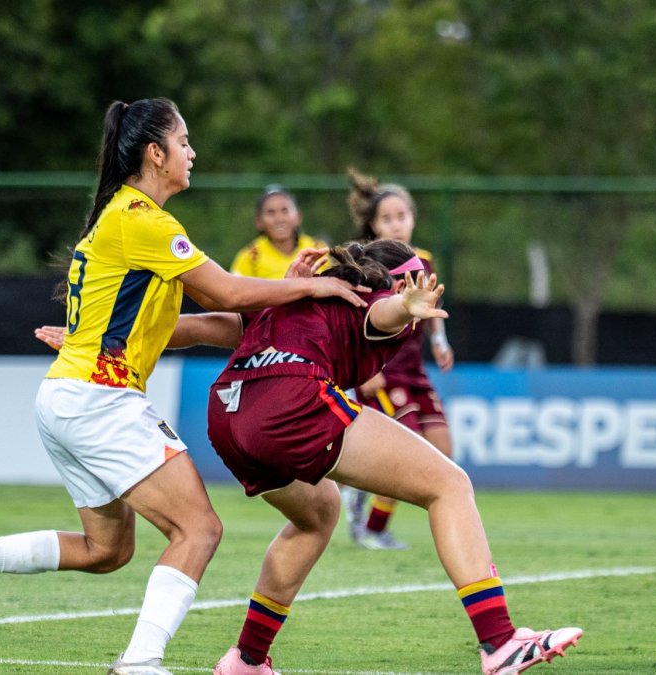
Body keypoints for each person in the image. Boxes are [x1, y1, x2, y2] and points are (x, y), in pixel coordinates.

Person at [0, 97, 365, 675]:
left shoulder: (126, 218)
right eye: (184, 142)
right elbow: (228, 294)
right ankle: (139, 662)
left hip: (68, 396)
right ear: (155, 153)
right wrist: (311, 292)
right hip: (98, 398)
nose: (192, 153)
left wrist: (283, 296)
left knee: (108, 550)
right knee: (199, 528)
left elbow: (207, 322)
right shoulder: (143, 220)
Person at [171, 238, 580, 675]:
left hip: (228, 414)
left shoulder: (296, 294)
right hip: (289, 402)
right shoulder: (373, 297)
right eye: (419, 276)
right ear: (400, 279)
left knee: (318, 515)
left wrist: (110, 338)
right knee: (449, 485)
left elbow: (200, 327)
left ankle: (247, 660)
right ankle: (499, 642)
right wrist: (404, 306)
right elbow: (382, 313)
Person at [341, 167, 457, 550]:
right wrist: (360, 371)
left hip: (415, 372)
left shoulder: (423, 260)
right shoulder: (367, 264)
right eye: (387, 218)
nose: (396, 224)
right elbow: (353, 317)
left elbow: (431, 308)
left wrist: (440, 341)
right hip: (381, 373)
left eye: (402, 216)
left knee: (444, 451)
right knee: (406, 454)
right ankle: (371, 528)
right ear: (373, 225)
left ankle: (361, 496)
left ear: (413, 218)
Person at [230, 186, 327, 280]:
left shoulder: (318, 250)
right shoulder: (250, 257)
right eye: (271, 212)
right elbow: (234, 292)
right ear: (258, 221)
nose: (279, 219)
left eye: (285, 211)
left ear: (298, 216)